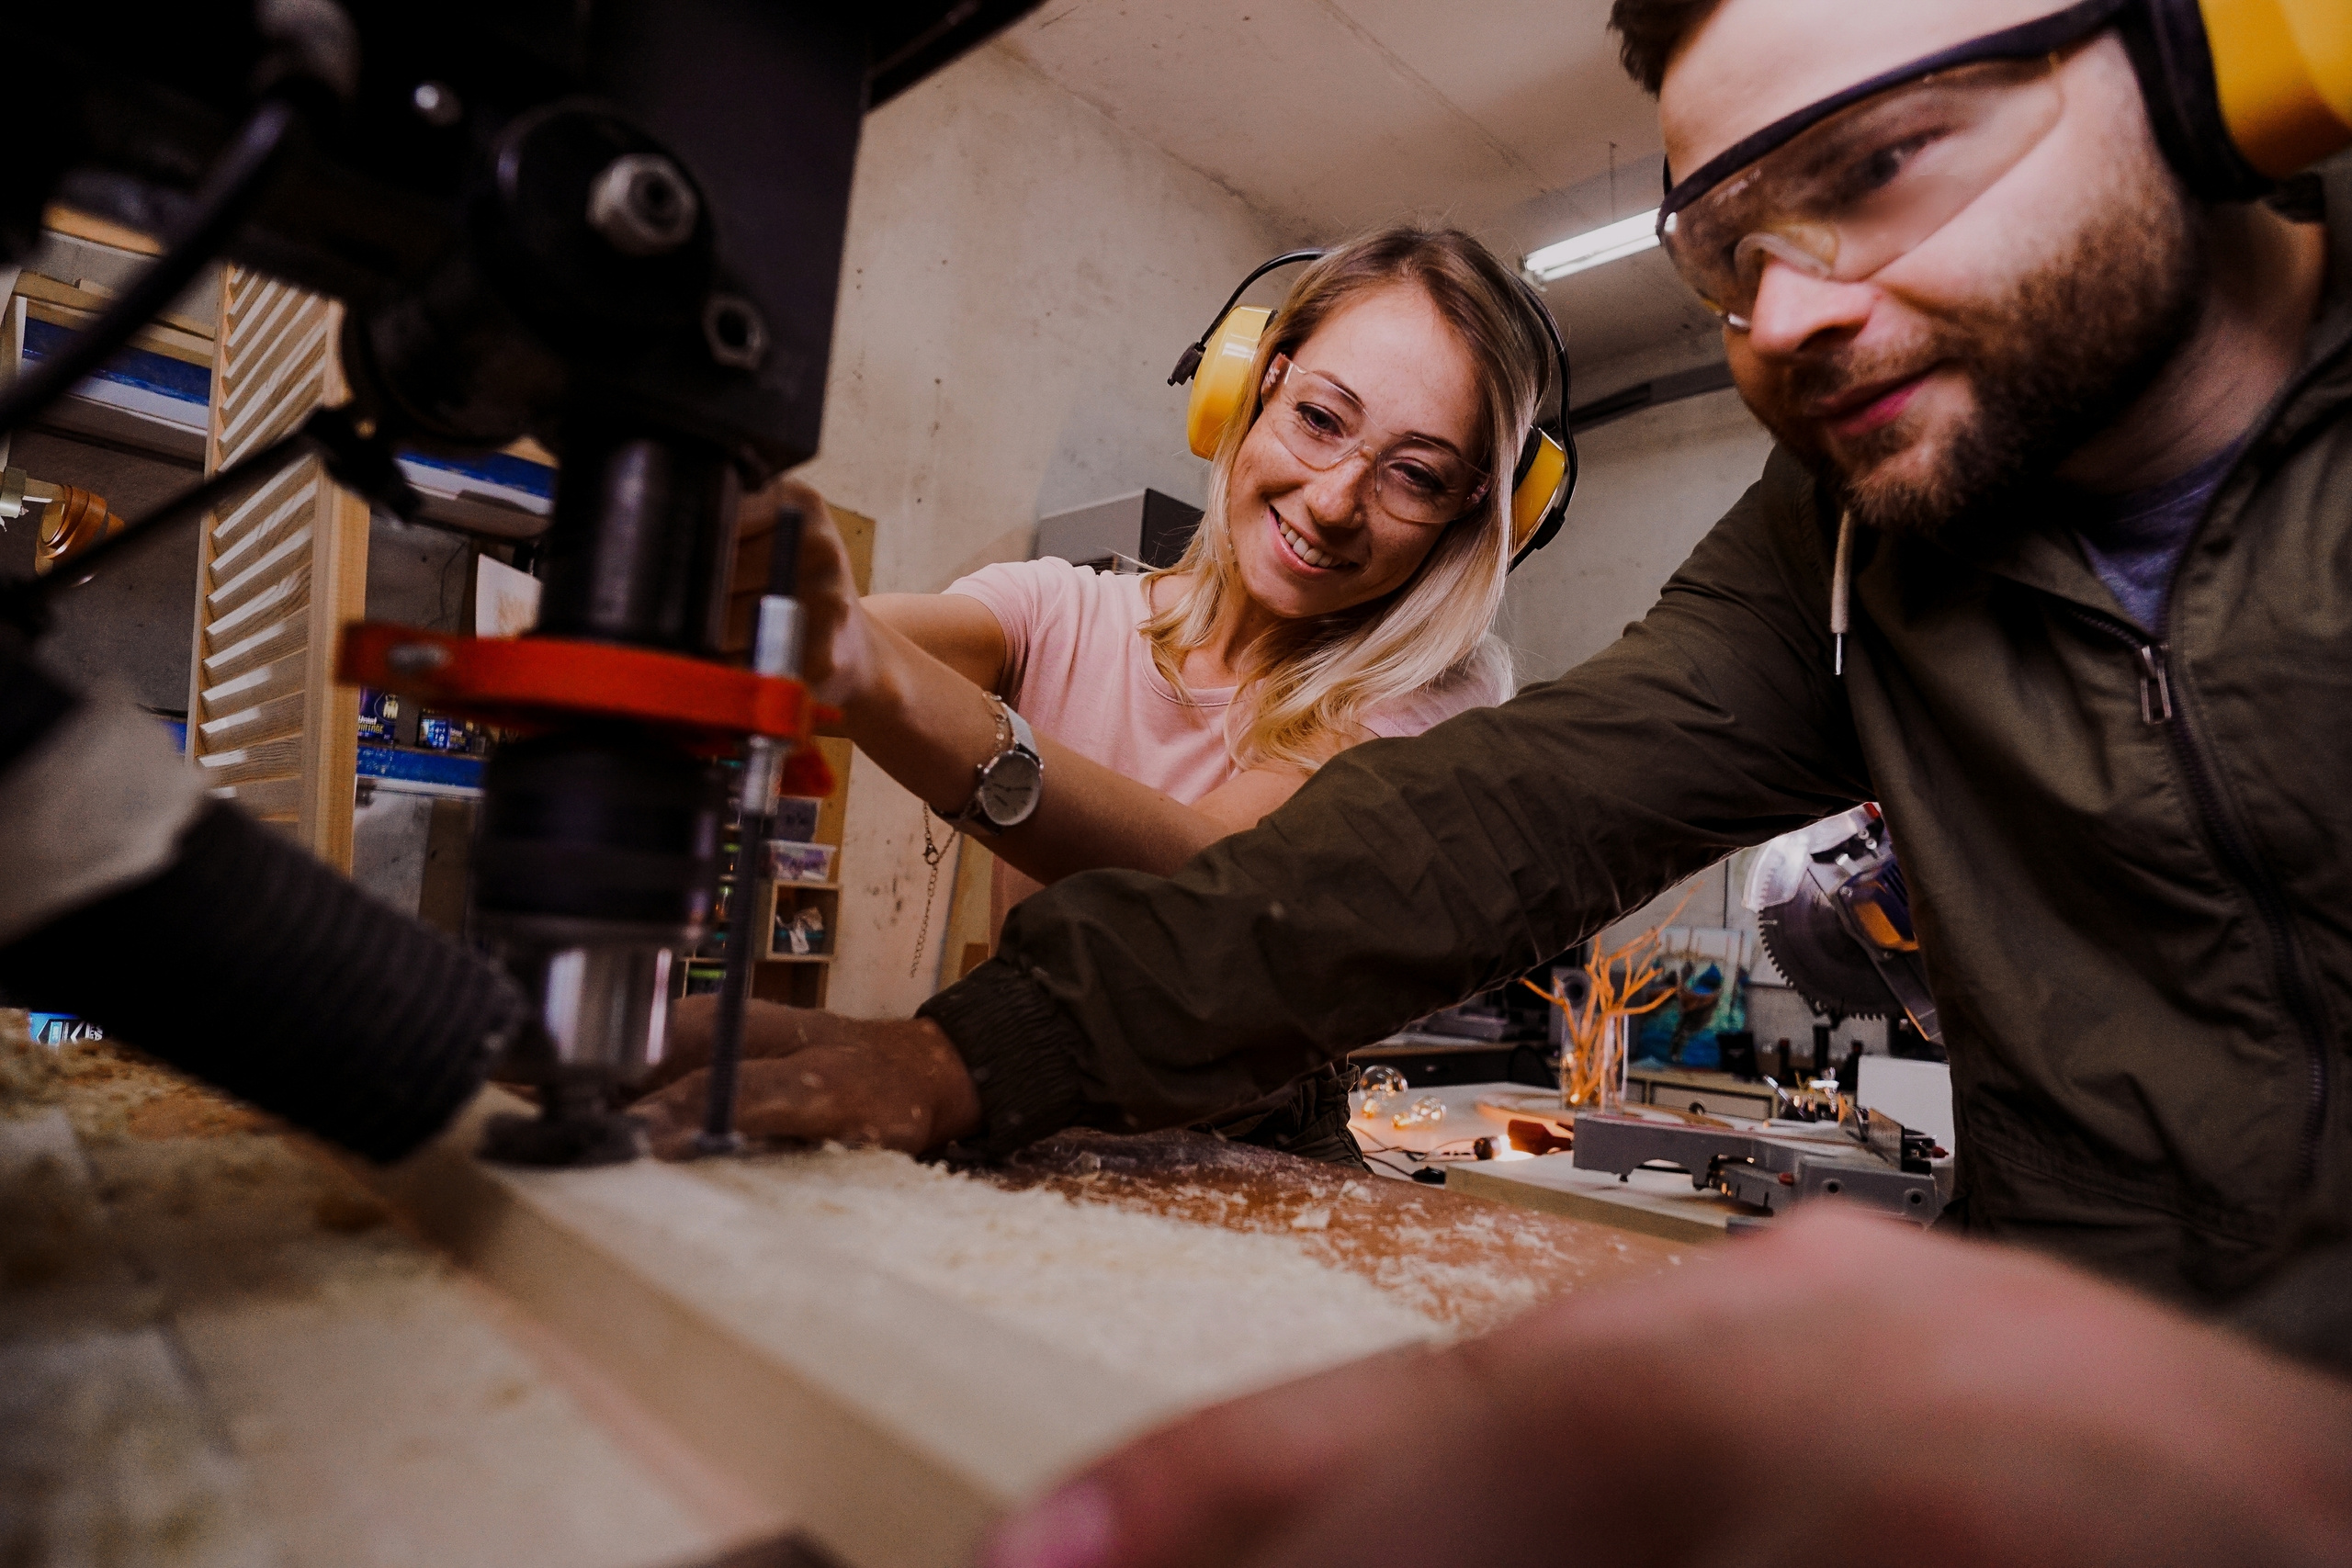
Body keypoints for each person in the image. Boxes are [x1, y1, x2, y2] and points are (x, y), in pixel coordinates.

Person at [640, 0, 2352, 1551]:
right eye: (1729, 254)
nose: (1792, 321)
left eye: (1885, 165)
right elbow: (1478, 832)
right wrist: (973, 1050)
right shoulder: (1840, 539)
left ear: (2223, 58)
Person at [652, 224, 1549, 1161]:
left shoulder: (1435, 700)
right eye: (1320, 420)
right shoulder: (1057, 607)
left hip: (1256, 1152)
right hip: (1008, 1089)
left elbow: (1218, 880)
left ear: (1471, 517)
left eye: (1413, 475)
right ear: (1252, 387)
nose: (1332, 500)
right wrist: (757, 602)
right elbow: (845, 644)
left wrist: (866, 670)